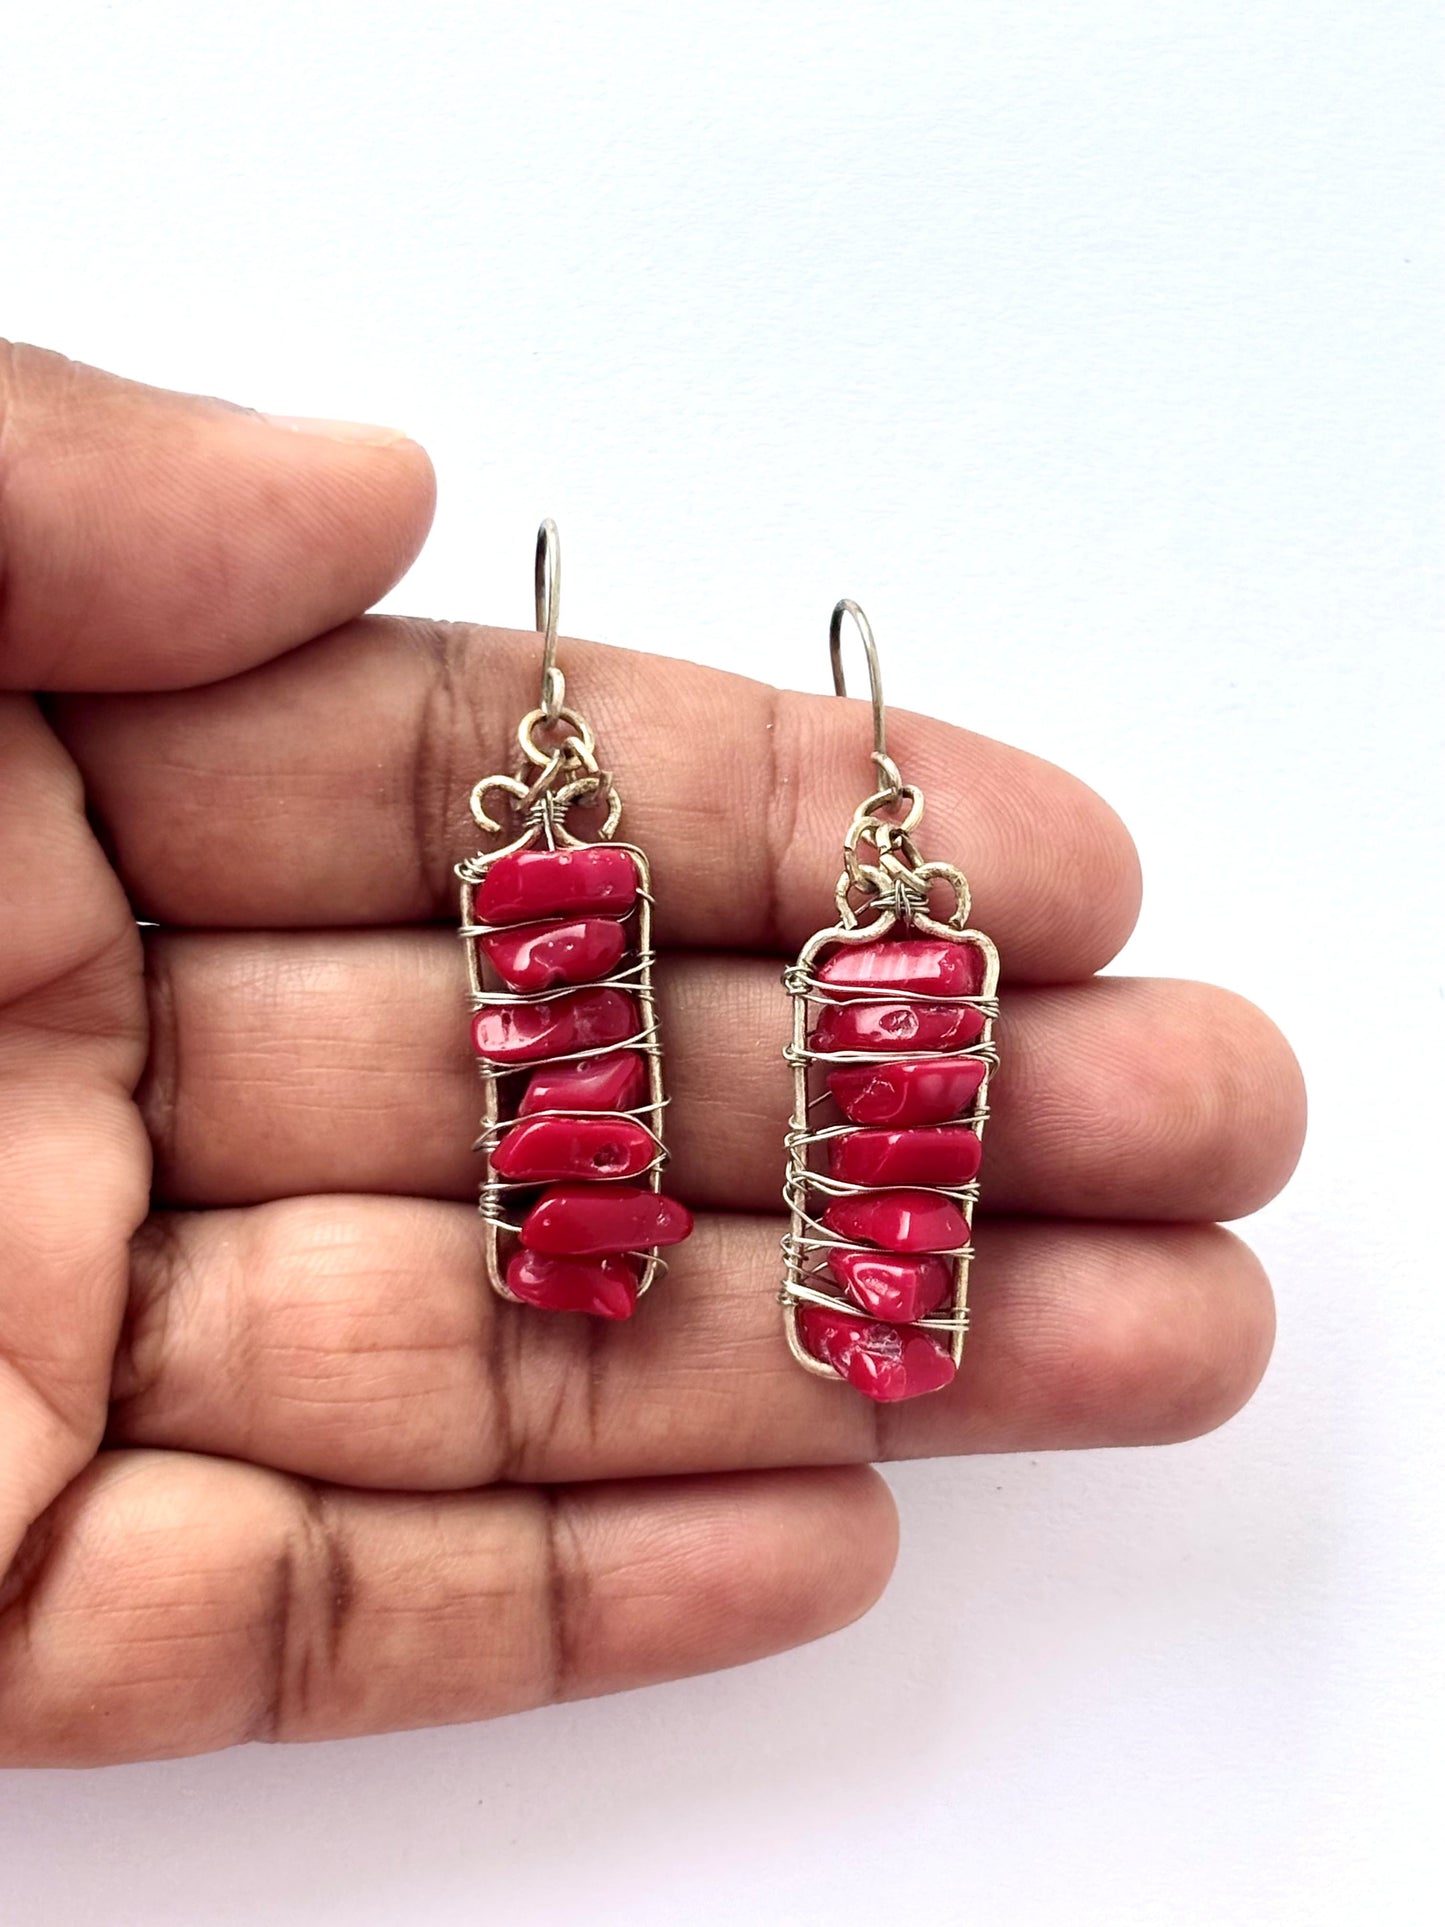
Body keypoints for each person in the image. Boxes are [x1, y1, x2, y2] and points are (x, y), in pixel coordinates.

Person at [0, 343, 1303, 1766]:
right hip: (630, 1124)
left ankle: (695, 1260)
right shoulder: (584, 929)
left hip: (744, 1138)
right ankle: (642, 1249)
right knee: (612, 1108)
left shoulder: (860, 982)